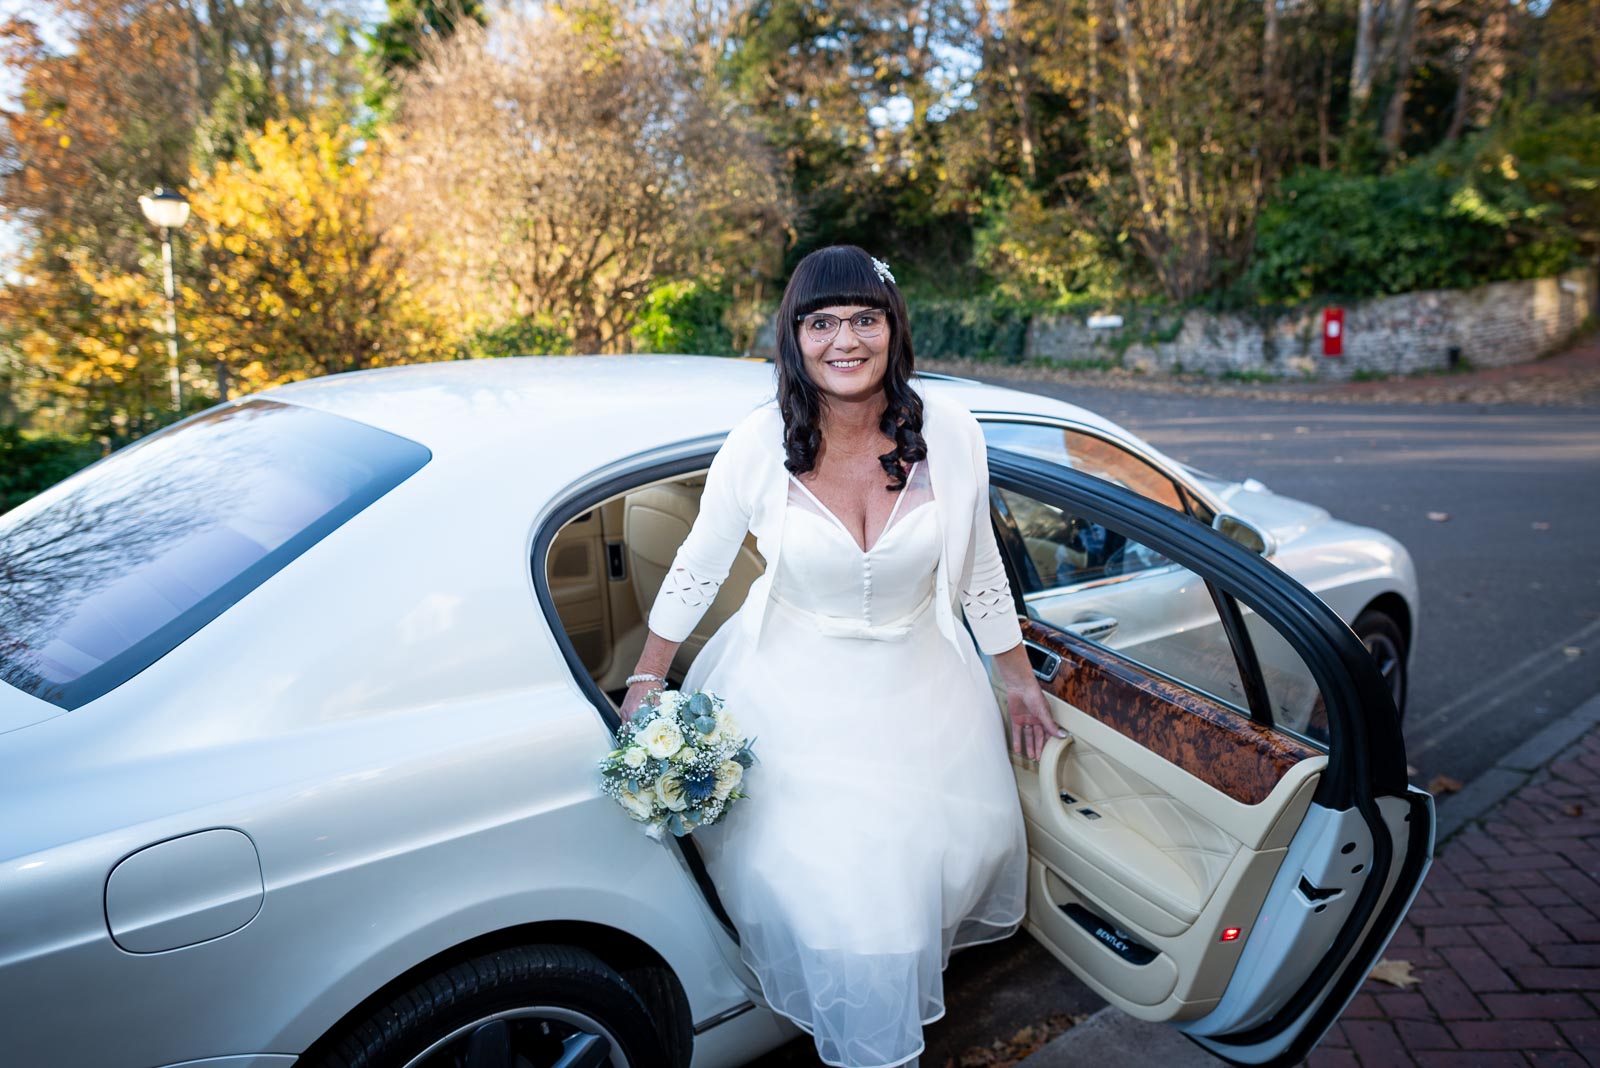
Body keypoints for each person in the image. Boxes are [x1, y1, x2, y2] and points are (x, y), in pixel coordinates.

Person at [619, 245, 1064, 1068]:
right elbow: (699, 563)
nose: (844, 341)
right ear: (794, 337)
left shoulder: (954, 432)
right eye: (820, 322)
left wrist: (1017, 681)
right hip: (790, 701)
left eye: (865, 318)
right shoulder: (758, 443)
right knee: (847, 908)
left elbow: (979, 569)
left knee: (899, 907)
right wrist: (649, 672)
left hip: (926, 706)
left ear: (894, 329)